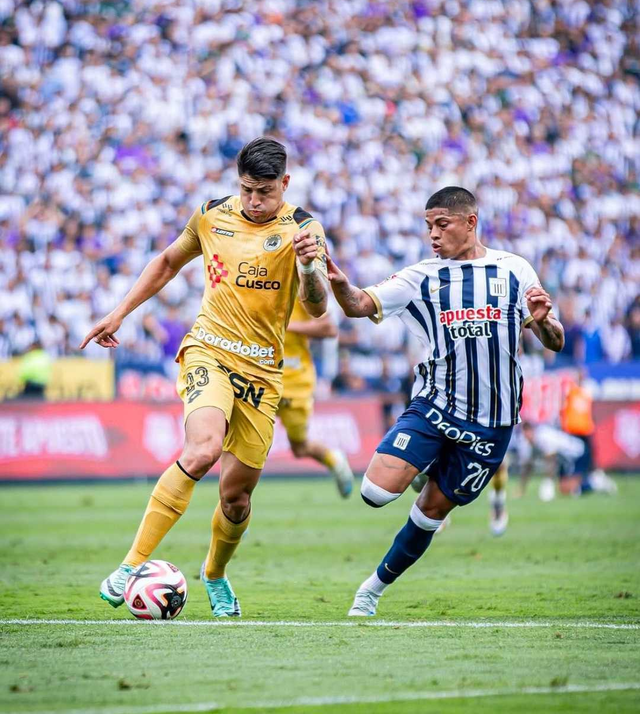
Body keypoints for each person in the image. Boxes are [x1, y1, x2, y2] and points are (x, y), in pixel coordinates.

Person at [80, 138, 329, 617]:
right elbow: (169, 262)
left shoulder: (304, 230)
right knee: (202, 450)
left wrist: (309, 265)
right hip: (208, 352)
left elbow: (318, 308)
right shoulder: (212, 215)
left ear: (286, 184)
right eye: (248, 190)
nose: (255, 201)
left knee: (236, 499)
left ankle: (214, 573)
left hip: (262, 373)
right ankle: (131, 565)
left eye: (266, 192)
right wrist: (119, 313)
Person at [326, 186, 564, 616]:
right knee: (375, 493)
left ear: (470, 223)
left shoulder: (514, 270)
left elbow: (555, 340)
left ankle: (371, 591)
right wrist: (343, 286)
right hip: (436, 405)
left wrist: (545, 324)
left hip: (493, 424)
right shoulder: (423, 276)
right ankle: (427, 466)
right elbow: (361, 304)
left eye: (442, 224)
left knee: (430, 513)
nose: (432, 235)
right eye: (428, 226)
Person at [277, 298, 354, 497]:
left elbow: (329, 328)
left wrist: (286, 324)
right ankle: (233, 518)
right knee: (242, 447)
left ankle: (335, 460)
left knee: (300, 447)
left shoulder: (301, 286)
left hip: (294, 381)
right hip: (258, 378)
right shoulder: (251, 283)